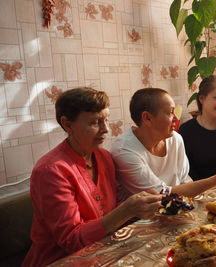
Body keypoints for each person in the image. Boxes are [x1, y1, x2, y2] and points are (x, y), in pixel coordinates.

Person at [22, 88, 162, 267]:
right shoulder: (51, 171)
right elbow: (71, 240)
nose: (105, 129)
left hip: (105, 251)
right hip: (59, 260)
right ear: (67, 124)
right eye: (95, 122)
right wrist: (127, 210)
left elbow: (109, 209)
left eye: (106, 119)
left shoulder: (103, 157)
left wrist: (141, 207)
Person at [111, 88, 216, 199]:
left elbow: (185, 181)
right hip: (139, 222)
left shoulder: (175, 139)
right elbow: (160, 194)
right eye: (170, 113)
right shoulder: (124, 150)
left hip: (175, 210)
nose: (176, 118)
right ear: (147, 118)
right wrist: (215, 181)